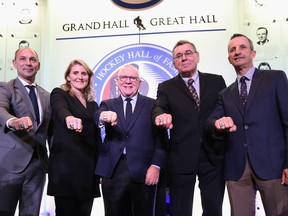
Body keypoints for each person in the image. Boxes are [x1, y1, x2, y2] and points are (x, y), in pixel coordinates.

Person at [206, 33, 288, 216]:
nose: (237, 52)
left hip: (273, 165)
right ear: (229, 59)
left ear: (253, 53)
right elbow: (210, 123)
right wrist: (218, 124)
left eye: (242, 47)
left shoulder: (275, 78)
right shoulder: (225, 94)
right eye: (232, 50)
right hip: (237, 169)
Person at [152, 40, 227, 216]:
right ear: (174, 63)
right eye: (179, 56)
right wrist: (159, 116)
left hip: (213, 155)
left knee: (214, 209)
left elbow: (224, 108)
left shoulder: (216, 81)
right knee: (180, 210)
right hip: (181, 157)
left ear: (197, 56)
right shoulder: (166, 87)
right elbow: (159, 107)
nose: (184, 58)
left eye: (188, 53)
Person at [94, 64, 167, 216]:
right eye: (123, 78)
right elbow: (98, 116)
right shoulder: (108, 104)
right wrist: (103, 116)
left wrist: (156, 166)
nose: (128, 81)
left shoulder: (152, 105)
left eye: (133, 78)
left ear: (140, 82)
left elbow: (161, 139)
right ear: (117, 82)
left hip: (144, 171)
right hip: (114, 171)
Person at [0, 47, 51, 216]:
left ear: (39, 65)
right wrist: (13, 121)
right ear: (14, 63)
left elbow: (50, 131)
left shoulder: (46, 95)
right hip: (9, 165)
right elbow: (1, 109)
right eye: (22, 59)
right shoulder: (6, 88)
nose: (28, 63)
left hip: (38, 166)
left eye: (32, 60)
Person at [47, 59, 101, 216]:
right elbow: (60, 109)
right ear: (68, 77)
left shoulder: (93, 105)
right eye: (75, 73)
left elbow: (96, 138)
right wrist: (69, 118)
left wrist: (100, 169)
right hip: (66, 170)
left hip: (88, 170)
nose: (80, 77)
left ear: (89, 77)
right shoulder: (60, 93)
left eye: (84, 73)